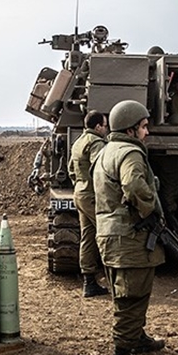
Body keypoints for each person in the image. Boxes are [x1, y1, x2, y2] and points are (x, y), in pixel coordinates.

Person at [93, 100, 166, 355]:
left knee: (127, 291)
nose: (147, 133)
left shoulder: (106, 151)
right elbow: (135, 185)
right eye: (144, 127)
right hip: (129, 237)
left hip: (112, 235)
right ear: (131, 129)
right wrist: (149, 212)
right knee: (131, 297)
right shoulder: (130, 154)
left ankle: (136, 337)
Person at [69, 110, 110, 297]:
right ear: (98, 127)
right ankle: (115, 279)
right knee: (107, 235)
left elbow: (71, 169)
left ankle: (89, 282)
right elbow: (101, 169)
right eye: (105, 125)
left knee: (88, 237)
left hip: (80, 193)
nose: (107, 128)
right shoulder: (96, 143)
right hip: (93, 196)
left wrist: (80, 185)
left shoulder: (78, 142)